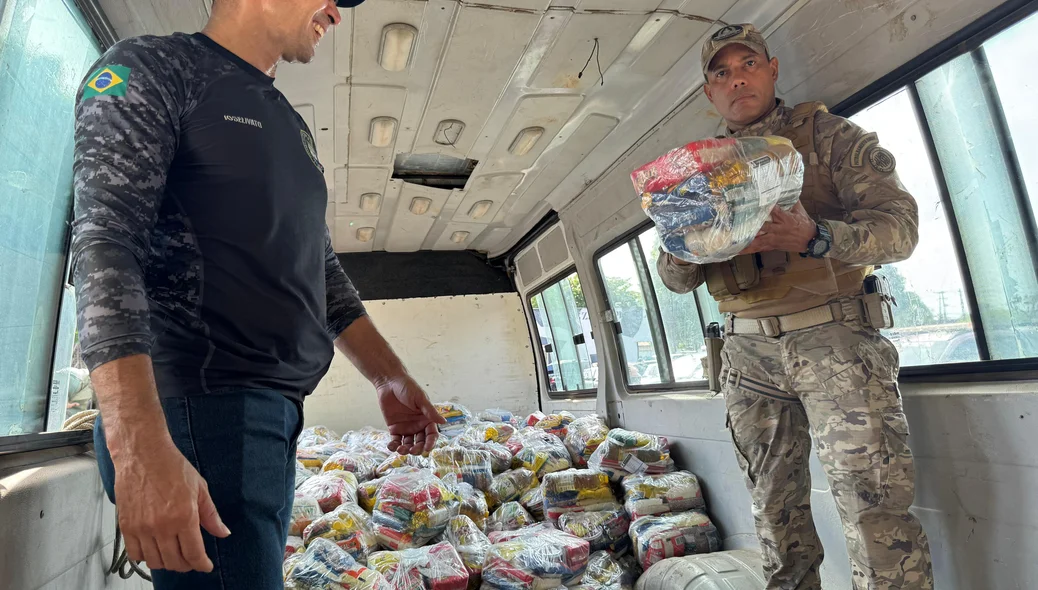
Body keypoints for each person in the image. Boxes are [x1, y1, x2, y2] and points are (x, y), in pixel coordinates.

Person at [71, 1, 446, 588]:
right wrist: (138, 445)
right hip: (195, 411)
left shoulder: (290, 122)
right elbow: (104, 241)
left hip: (268, 418)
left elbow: (320, 271)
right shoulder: (154, 67)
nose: (336, 13)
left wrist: (389, 378)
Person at [655, 24, 933, 590]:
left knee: (871, 504)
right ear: (709, 93)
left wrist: (817, 236)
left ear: (772, 69)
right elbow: (673, 275)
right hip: (745, 353)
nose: (736, 79)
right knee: (773, 509)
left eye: (747, 64)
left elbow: (901, 230)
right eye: (721, 73)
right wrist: (702, 242)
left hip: (834, 340)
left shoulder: (831, 137)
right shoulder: (695, 174)